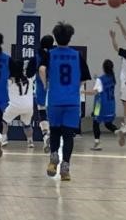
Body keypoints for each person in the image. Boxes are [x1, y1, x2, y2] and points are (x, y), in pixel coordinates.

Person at [39, 21, 91, 181]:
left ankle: (54, 157)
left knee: (55, 131)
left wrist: (45, 84)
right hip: (72, 101)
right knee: (68, 135)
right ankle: (65, 168)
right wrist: (75, 86)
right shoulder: (77, 55)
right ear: (70, 37)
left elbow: (41, 69)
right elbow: (84, 78)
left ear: (55, 37)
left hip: (55, 99)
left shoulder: (50, 54)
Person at [82, 59, 124, 150]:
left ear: (103, 68)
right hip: (111, 104)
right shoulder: (112, 78)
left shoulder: (100, 80)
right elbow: (104, 86)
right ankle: (117, 131)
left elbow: (94, 92)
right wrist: (97, 79)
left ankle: (97, 143)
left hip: (99, 105)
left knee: (95, 123)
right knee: (108, 123)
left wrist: (82, 92)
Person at [26, 34, 54, 153]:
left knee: (42, 112)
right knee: (53, 114)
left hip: (41, 88)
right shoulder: (55, 55)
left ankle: (45, 134)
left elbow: (28, 73)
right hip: (55, 88)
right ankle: (52, 136)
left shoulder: (36, 57)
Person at [2, 59, 34, 149]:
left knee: (3, 121)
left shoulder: (10, 80)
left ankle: (4, 139)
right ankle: (30, 141)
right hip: (28, 106)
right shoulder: (29, 79)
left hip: (14, 106)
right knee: (27, 125)